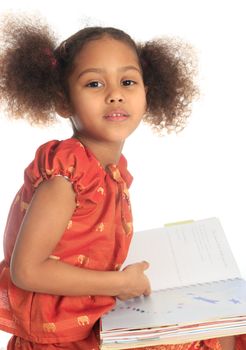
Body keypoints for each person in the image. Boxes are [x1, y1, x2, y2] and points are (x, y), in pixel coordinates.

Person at [0, 14, 244, 350]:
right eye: (94, 84)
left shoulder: (107, 169)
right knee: (215, 338)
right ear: (62, 100)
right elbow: (26, 271)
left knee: (225, 325)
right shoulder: (65, 177)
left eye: (127, 82)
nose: (115, 95)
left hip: (94, 314)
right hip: (64, 338)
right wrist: (119, 283)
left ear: (148, 92)